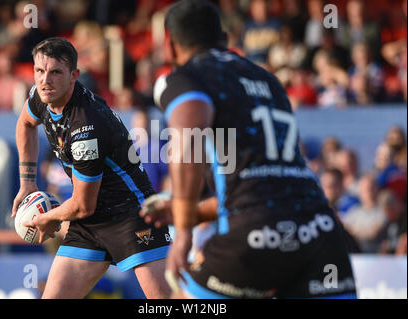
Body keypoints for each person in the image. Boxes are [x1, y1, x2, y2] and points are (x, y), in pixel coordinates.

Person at [145, 0, 356, 299]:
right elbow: (268, 184)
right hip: (320, 233)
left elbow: (188, 139)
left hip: (254, 238)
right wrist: (192, 212)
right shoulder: (268, 80)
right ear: (224, 38)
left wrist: (183, 232)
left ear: (169, 44)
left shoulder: (186, 77)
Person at [11, 37, 171, 299]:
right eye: (39, 71)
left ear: (74, 75)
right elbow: (25, 124)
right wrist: (27, 182)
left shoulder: (86, 126)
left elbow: (83, 205)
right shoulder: (42, 95)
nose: (45, 80)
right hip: (89, 222)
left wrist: (46, 219)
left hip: (132, 217)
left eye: (55, 72)